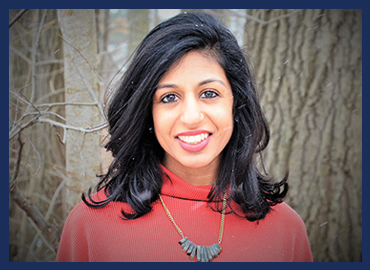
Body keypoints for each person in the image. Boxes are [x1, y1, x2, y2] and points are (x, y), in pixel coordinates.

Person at [56, 11, 313, 262]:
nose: (191, 117)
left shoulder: (286, 230)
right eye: (169, 97)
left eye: (209, 93)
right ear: (148, 113)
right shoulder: (92, 227)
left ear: (236, 103)